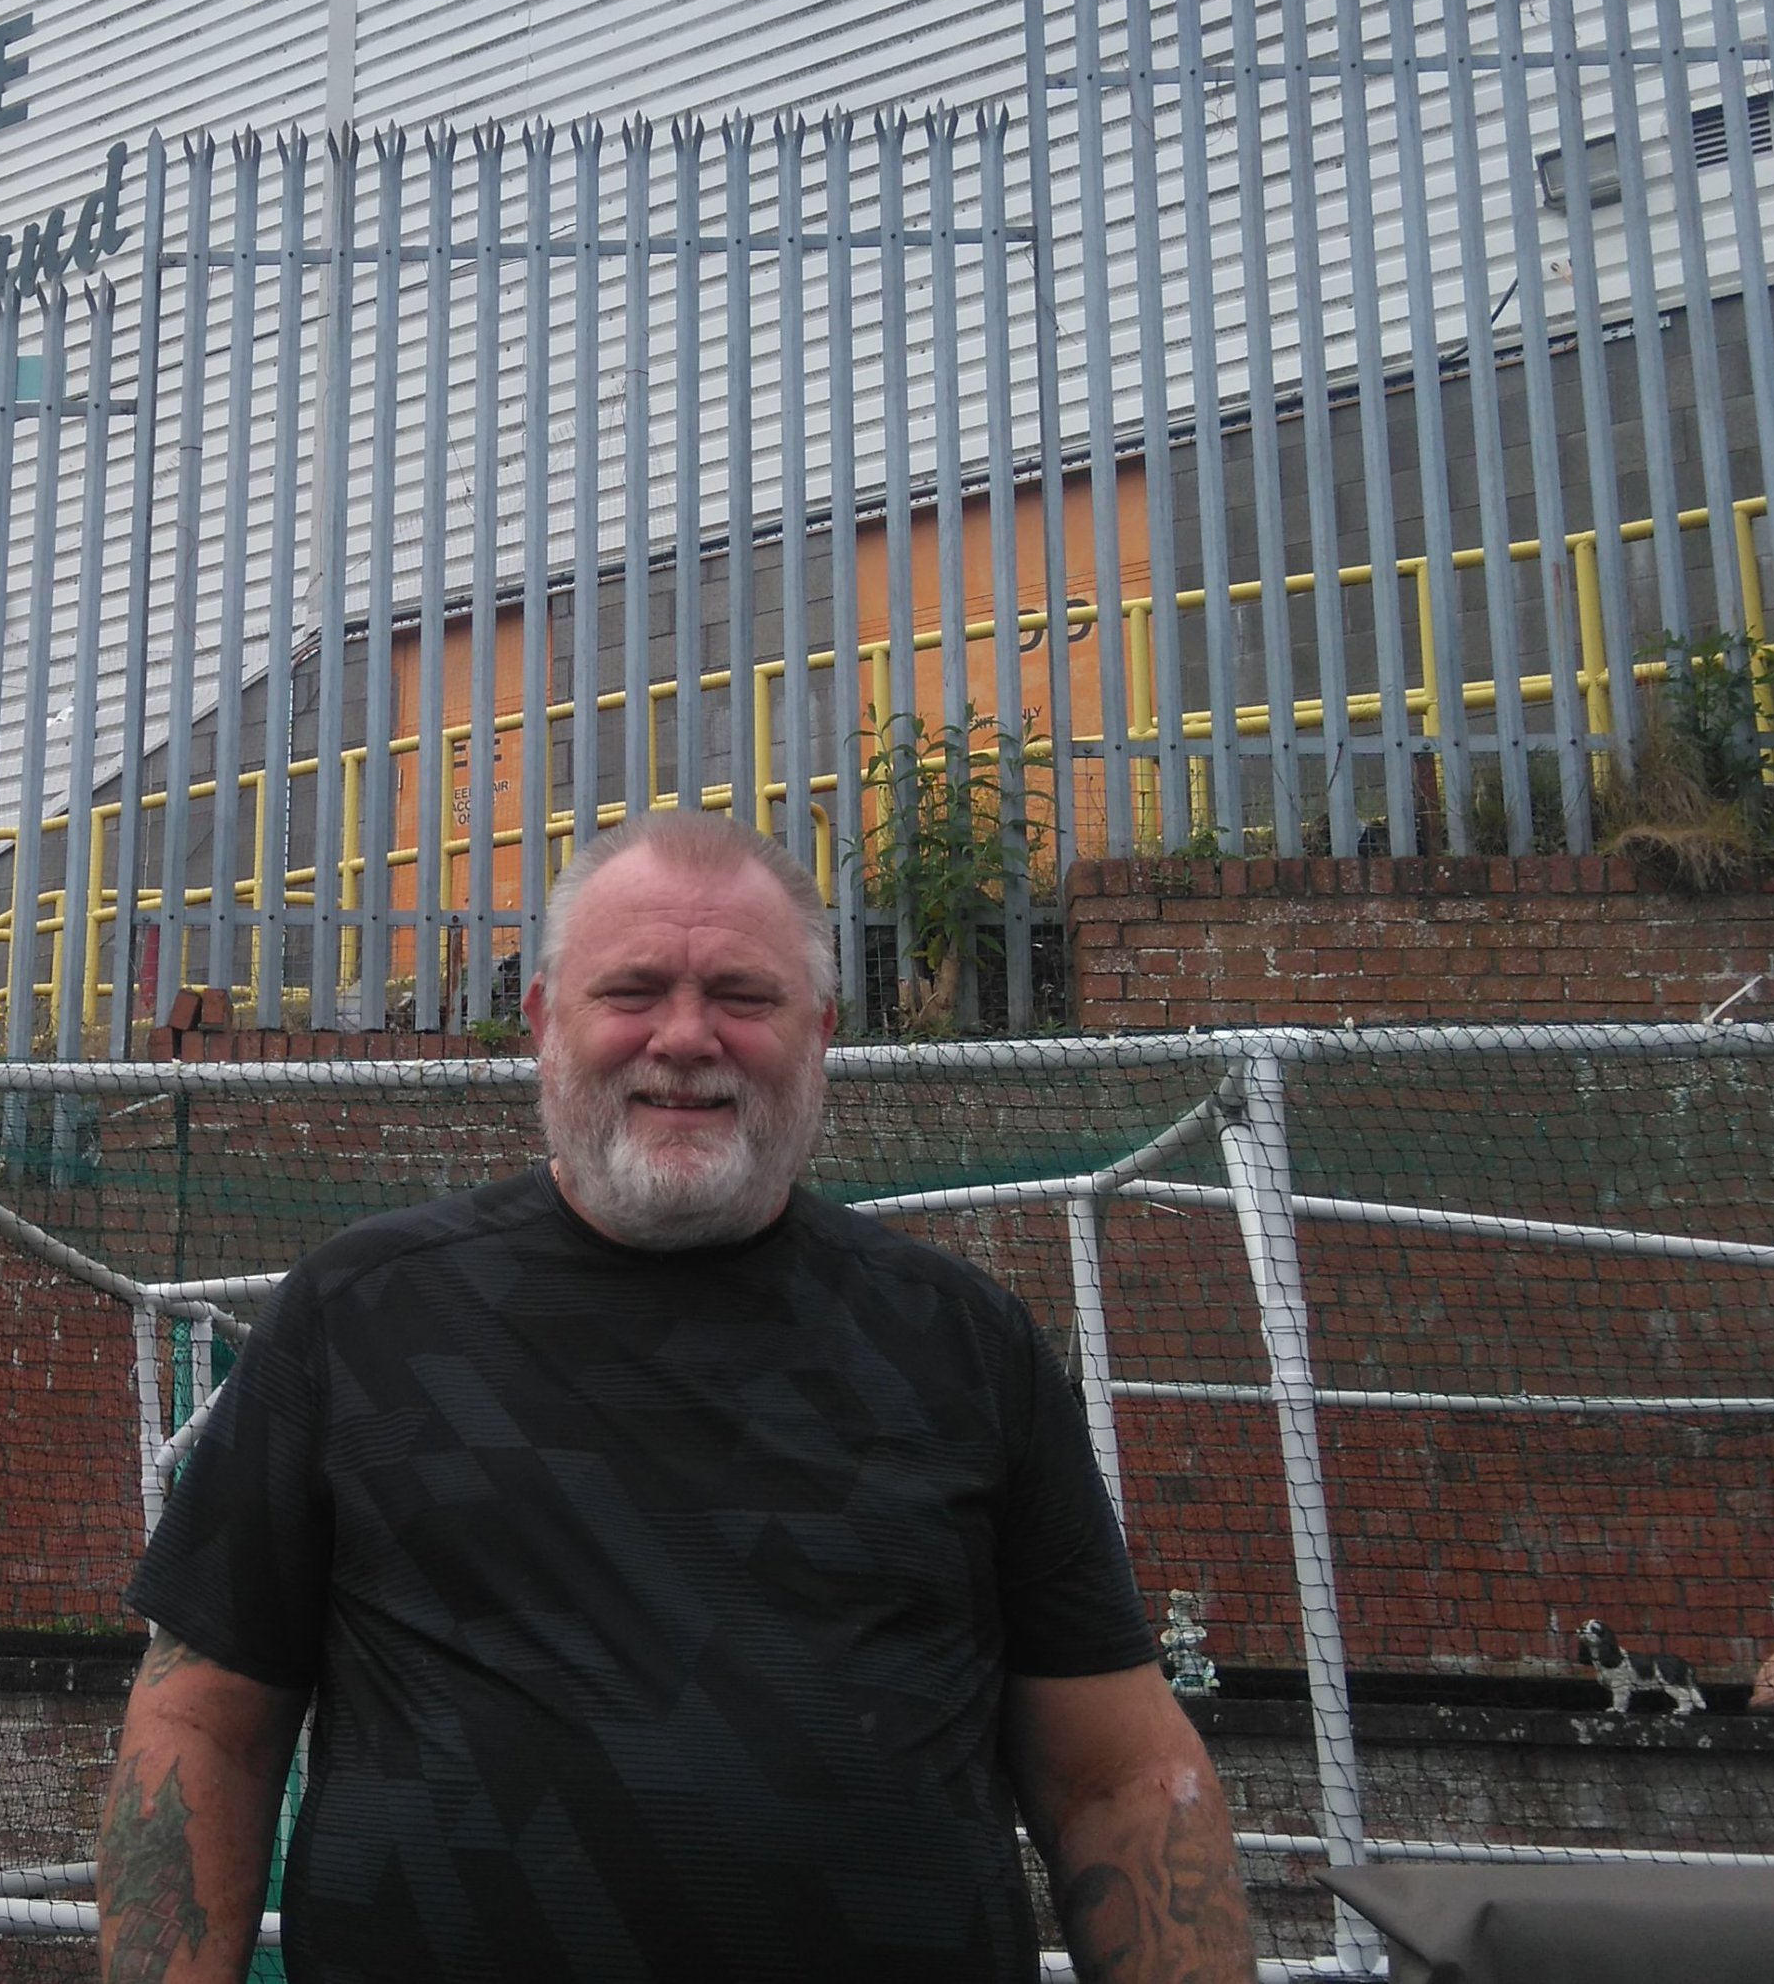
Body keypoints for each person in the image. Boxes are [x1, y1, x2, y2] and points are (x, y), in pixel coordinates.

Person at [98, 810, 1255, 1983]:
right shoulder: (355, 1318)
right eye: (635, 988)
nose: (687, 1036)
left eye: (743, 995)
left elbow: (1119, 1778)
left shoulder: (965, 1347)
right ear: (546, 1021)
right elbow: (203, 1728)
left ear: (820, 1034)